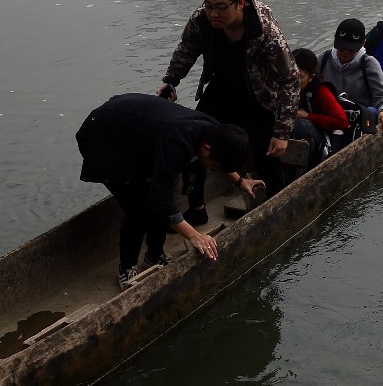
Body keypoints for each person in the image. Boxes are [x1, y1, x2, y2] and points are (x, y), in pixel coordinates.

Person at [75, 94, 257, 288]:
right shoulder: (178, 139)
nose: (215, 172)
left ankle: (154, 255)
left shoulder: (213, 130)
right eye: (215, 168)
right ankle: (127, 268)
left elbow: (164, 196)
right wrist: (195, 236)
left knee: (158, 195)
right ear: (206, 148)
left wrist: (240, 181)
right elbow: (159, 199)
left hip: (135, 133)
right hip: (104, 138)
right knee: (138, 208)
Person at [156, 0, 305, 205]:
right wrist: (171, 80)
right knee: (196, 143)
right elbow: (187, 49)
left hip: (259, 97)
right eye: (208, 5)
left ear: (240, 4)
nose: (214, 13)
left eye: (221, 7)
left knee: (267, 156)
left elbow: (290, 79)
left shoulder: (265, 31)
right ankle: (196, 207)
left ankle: (277, 206)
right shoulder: (201, 19)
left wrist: (281, 133)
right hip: (221, 89)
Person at [318, 19, 383, 131]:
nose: (345, 53)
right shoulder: (323, 59)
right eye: (342, 48)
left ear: (362, 44)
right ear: (335, 38)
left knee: (372, 111)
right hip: (329, 117)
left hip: (358, 119)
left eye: (351, 50)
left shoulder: (369, 64)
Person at [288, 48, 351, 167]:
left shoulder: (321, 92)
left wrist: (309, 117)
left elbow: (342, 122)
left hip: (320, 138)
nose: (293, 81)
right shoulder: (283, 86)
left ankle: (302, 170)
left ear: (311, 77)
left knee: (302, 125)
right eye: (291, 74)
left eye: (300, 77)